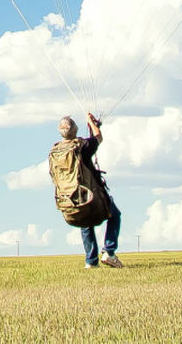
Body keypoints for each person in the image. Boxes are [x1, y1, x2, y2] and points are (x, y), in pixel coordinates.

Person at [56, 113, 123, 268]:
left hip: (71, 195)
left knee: (85, 222)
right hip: (91, 192)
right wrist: (91, 123)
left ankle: (91, 261)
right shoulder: (82, 147)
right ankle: (109, 252)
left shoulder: (57, 150)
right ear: (75, 129)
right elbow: (98, 137)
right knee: (115, 215)